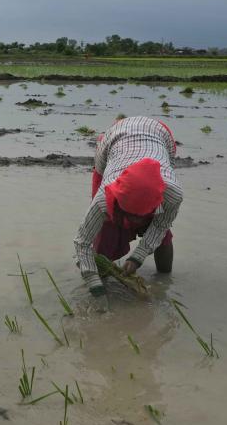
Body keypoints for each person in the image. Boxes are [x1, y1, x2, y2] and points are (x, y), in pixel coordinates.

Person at [74, 116, 183, 298]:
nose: (136, 221)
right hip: (114, 140)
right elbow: (82, 241)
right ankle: (103, 273)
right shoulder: (105, 195)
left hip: (158, 135)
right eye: (131, 215)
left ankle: (164, 279)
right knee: (106, 226)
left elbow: (160, 225)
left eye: (141, 217)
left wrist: (137, 257)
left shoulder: (172, 194)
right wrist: (93, 281)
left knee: (163, 233)